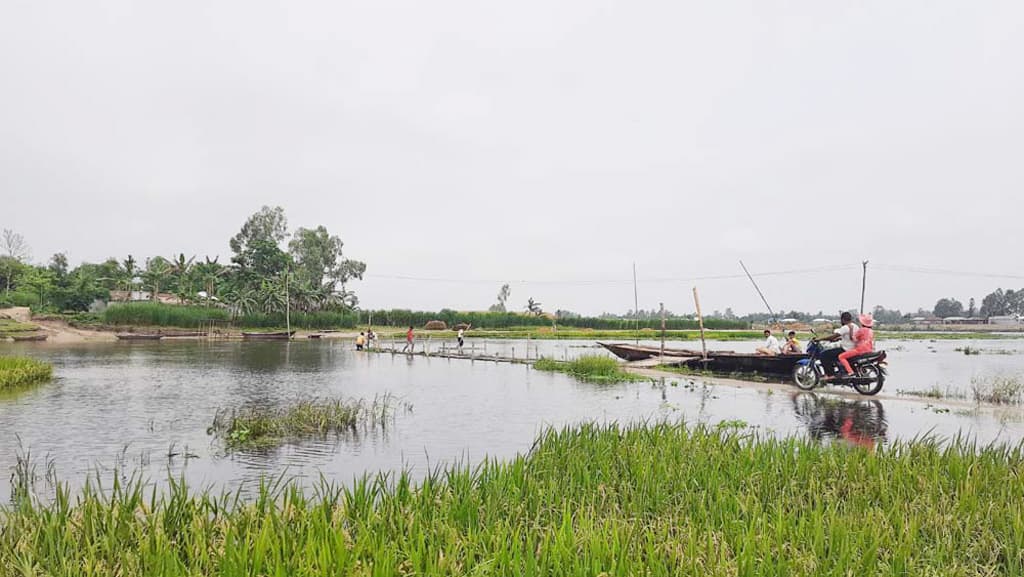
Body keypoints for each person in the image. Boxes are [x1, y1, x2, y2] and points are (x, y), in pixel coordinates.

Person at [815, 312, 859, 377]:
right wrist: (838, 339)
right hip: (853, 349)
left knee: (824, 355)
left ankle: (830, 375)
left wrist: (820, 339)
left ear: (843, 319)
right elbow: (848, 337)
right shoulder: (856, 326)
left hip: (845, 349)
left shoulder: (845, 327)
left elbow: (833, 336)